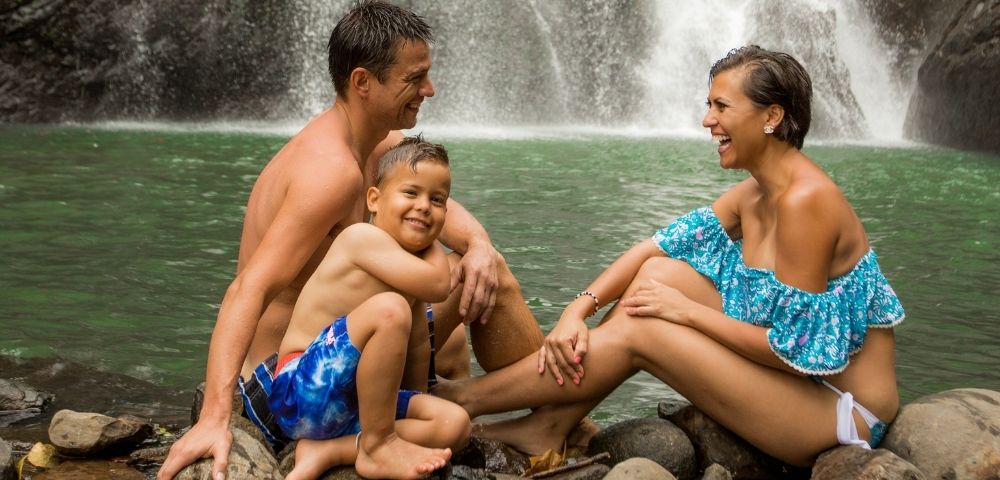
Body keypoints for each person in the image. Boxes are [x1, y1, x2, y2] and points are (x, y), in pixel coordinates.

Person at [434, 45, 905, 466]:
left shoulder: (807, 203)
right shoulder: (754, 195)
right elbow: (653, 249)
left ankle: (465, 398)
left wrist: (686, 314)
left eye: (721, 106)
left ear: (771, 116)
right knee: (657, 274)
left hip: (839, 414)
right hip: (797, 385)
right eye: (709, 106)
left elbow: (798, 353)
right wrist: (577, 309)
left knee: (646, 326)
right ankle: (550, 426)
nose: (708, 121)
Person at [158, 3, 543, 479]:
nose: (429, 89)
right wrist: (214, 417)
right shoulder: (331, 172)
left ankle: (522, 422)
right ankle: (545, 424)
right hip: (298, 384)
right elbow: (247, 289)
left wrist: (479, 244)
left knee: (481, 269)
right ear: (363, 82)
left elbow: (441, 208)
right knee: (470, 282)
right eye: (415, 77)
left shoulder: (376, 145)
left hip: (349, 357)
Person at [270, 136, 470, 480]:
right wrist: (434, 243)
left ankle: (331, 451)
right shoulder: (360, 238)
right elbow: (440, 284)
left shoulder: (410, 269)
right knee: (391, 309)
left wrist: (416, 401)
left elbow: (418, 344)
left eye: (437, 200)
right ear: (374, 200)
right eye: (411, 193)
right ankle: (378, 447)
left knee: (456, 423)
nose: (424, 206)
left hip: (358, 403)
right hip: (303, 389)